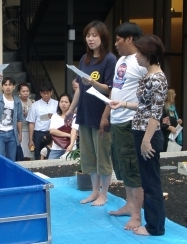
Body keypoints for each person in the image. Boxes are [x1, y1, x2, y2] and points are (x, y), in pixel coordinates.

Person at [110, 34, 167, 236]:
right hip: (140, 130)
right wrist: (123, 103)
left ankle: (155, 227)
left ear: (148, 54)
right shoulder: (148, 76)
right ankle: (153, 223)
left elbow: (155, 112)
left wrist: (146, 140)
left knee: (151, 182)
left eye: (140, 52)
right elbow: (144, 105)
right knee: (147, 179)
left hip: (148, 134)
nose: (136, 56)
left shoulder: (158, 78)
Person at [65, 21, 117, 206]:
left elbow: (110, 90)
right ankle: (94, 192)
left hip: (101, 114)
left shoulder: (110, 60)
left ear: (103, 37)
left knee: (103, 156)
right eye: (88, 35)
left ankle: (104, 194)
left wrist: (92, 82)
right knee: (89, 156)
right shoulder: (84, 60)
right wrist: (71, 110)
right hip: (85, 114)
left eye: (94, 35)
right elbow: (80, 88)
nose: (91, 39)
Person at [107, 22, 147, 230]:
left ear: (130, 39)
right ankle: (129, 204)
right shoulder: (121, 60)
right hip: (117, 118)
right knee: (122, 165)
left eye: (118, 40)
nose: (115, 44)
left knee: (132, 167)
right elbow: (116, 88)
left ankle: (137, 215)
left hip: (131, 120)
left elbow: (147, 95)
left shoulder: (141, 61)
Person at [0, 77, 23, 161]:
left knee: (11, 160)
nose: (7, 87)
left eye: (10, 85)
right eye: (5, 85)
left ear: (13, 87)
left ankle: (9, 174)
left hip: (12, 134)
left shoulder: (17, 101)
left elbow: (19, 119)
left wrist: (20, 134)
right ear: (2, 87)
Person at [26, 82, 58, 160]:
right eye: (44, 93)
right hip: (38, 133)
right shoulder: (34, 105)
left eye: (48, 93)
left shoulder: (57, 104)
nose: (46, 95)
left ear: (51, 92)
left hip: (52, 133)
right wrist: (30, 139)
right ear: (40, 93)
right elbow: (31, 123)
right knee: (38, 155)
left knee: (52, 154)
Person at [49, 93, 79, 159]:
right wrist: (68, 135)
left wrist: (71, 145)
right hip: (56, 148)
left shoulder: (74, 117)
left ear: (70, 104)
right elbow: (52, 131)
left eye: (66, 102)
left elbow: (74, 130)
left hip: (71, 148)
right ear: (59, 103)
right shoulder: (55, 116)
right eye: (61, 101)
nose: (63, 104)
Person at [17, 82, 35, 160]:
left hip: (31, 131)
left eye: (27, 91)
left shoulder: (33, 102)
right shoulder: (16, 102)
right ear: (19, 92)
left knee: (30, 153)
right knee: (21, 154)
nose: (25, 93)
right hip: (20, 130)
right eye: (23, 91)